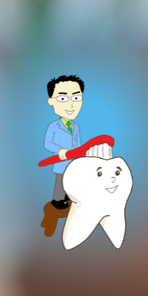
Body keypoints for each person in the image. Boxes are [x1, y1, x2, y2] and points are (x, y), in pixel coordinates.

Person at [41, 75, 85, 231]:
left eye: (76, 98)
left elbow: (78, 144)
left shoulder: (76, 127)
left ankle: (72, 202)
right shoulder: (53, 126)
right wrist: (59, 151)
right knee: (60, 188)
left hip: (74, 164)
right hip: (61, 164)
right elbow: (47, 143)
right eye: (63, 98)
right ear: (51, 101)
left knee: (73, 186)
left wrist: (81, 156)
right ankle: (58, 204)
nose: (71, 104)